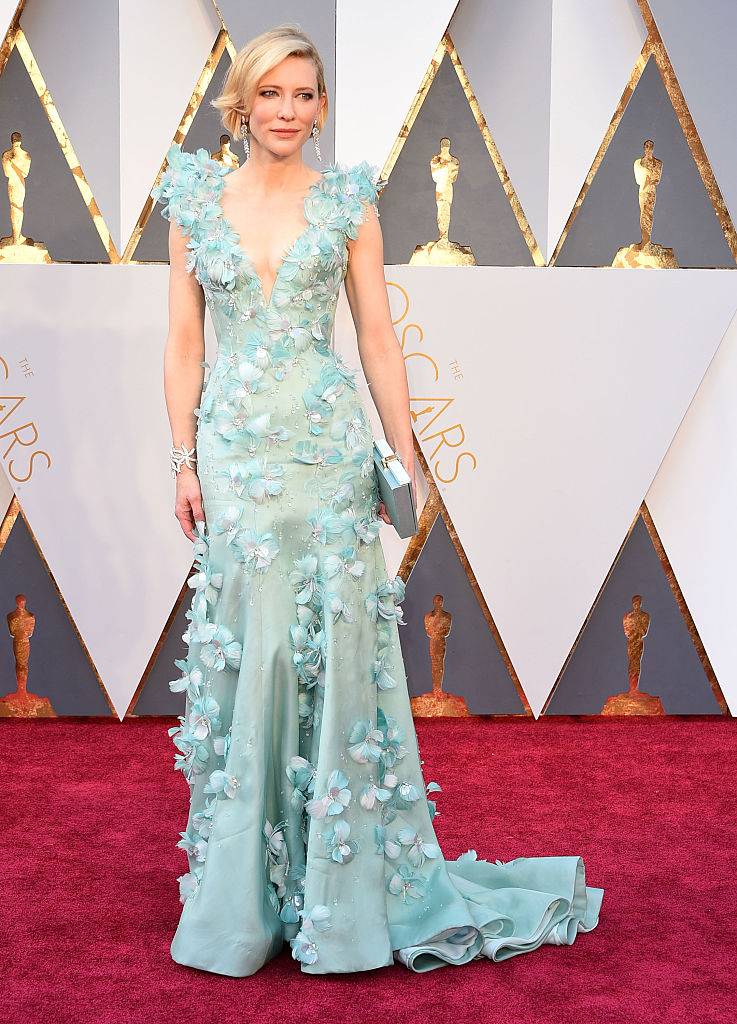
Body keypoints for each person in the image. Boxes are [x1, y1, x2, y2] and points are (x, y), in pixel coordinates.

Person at [153, 23, 603, 978]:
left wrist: (404, 456)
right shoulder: (193, 201)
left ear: (319, 107)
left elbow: (376, 340)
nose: (287, 111)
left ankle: (337, 887)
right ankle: (246, 893)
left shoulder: (347, 203)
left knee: (332, 651)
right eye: (270, 93)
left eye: (303, 95)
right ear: (242, 104)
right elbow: (185, 342)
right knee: (255, 650)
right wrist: (184, 460)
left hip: (325, 452)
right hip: (234, 453)